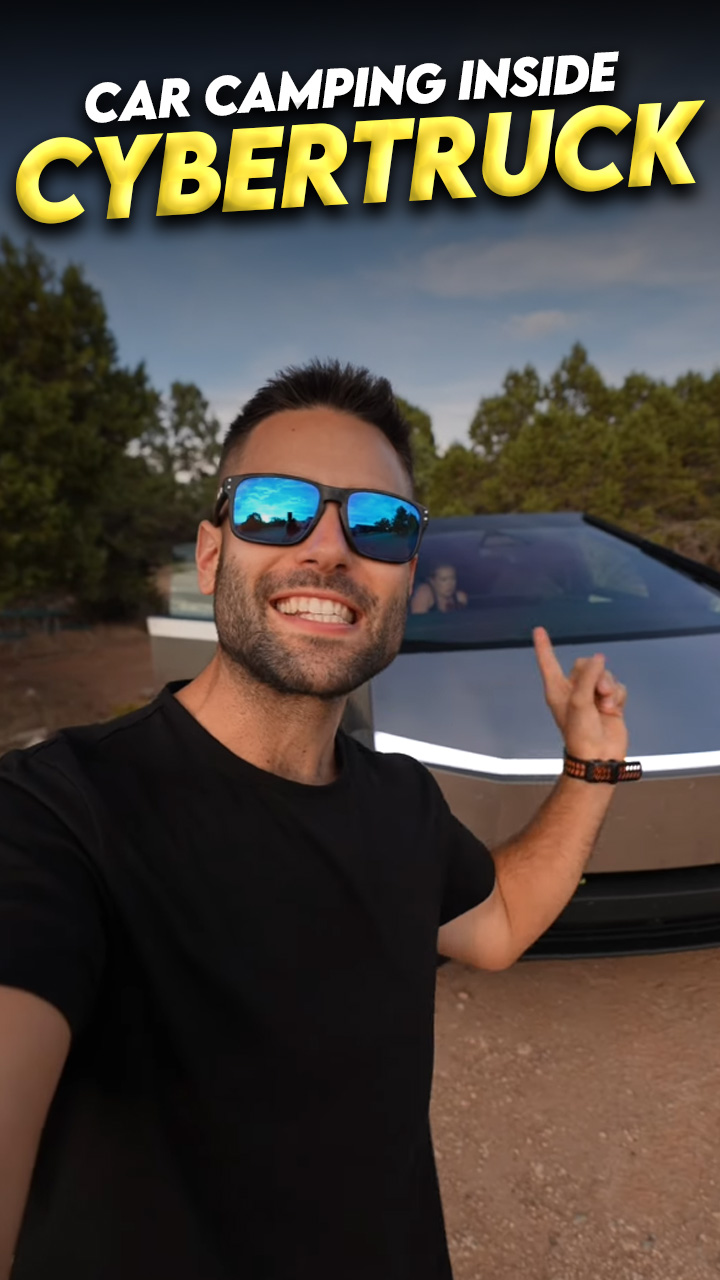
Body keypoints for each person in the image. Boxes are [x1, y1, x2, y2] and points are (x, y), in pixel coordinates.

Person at [0, 359, 636, 1280]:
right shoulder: (55, 815)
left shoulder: (403, 803)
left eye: (380, 523)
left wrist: (593, 764)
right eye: (276, 509)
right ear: (211, 554)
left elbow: (497, 926)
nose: (330, 549)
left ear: (406, 577)